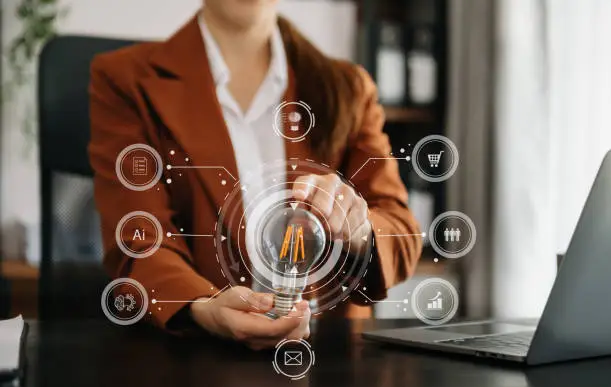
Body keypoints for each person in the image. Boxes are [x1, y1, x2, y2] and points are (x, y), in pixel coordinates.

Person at [89, 0, 422, 350]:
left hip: (325, 364)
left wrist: (360, 227)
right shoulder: (124, 80)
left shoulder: (347, 88)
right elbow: (140, 239)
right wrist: (202, 306)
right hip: (194, 362)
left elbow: (401, 230)